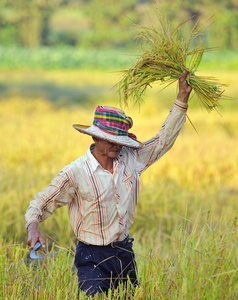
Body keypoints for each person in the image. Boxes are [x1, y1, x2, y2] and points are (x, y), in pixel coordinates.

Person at [25, 70, 192, 296]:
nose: (117, 145)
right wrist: (33, 226)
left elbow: (163, 140)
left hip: (124, 253)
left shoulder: (130, 160)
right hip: (91, 257)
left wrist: (182, 97)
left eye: (120, 141)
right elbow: (42, 202)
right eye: (110, 140)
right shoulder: (75, 173)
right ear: (94, 137)